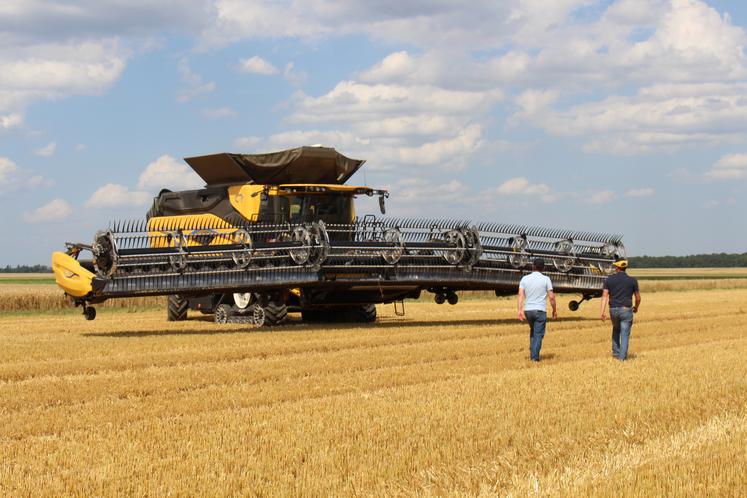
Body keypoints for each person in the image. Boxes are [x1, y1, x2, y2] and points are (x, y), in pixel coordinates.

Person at [600, 258, 641, 361]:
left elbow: (604, 296)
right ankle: (622, 359)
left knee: (616, 329)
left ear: (617, 267)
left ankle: (616, 354)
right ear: (625, 267)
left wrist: (602, 312)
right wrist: (636, 307)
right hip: (626, 309)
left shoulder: (608, 280)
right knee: (625, 334)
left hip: (613, 309)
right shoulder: (633, 280)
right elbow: (638, 298)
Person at [517, 258, 557, 362]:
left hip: (528, 311)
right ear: (543, 268)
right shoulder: (546, 279)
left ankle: (532, 351)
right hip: (540, 310)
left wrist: (520, 310)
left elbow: (521, 295)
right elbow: (551, 297)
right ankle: (534, 358)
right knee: (538, 334)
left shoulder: (524, 279)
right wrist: (554, 310)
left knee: (533, 331)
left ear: (533, 266)